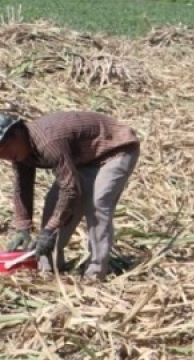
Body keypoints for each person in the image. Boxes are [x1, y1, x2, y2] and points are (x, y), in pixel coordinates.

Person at [0, 110, 141, 279]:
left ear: (17, 133)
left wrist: (49, 230)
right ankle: (50, 266)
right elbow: (22, 187)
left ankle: (95, 273)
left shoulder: (48, 143)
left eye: (4, 147)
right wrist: (23, 227)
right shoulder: (20, 152)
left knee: (97, 204)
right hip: (81, 158)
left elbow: (70, 190)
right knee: (54, 203)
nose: (5, 156)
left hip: (114, 149)